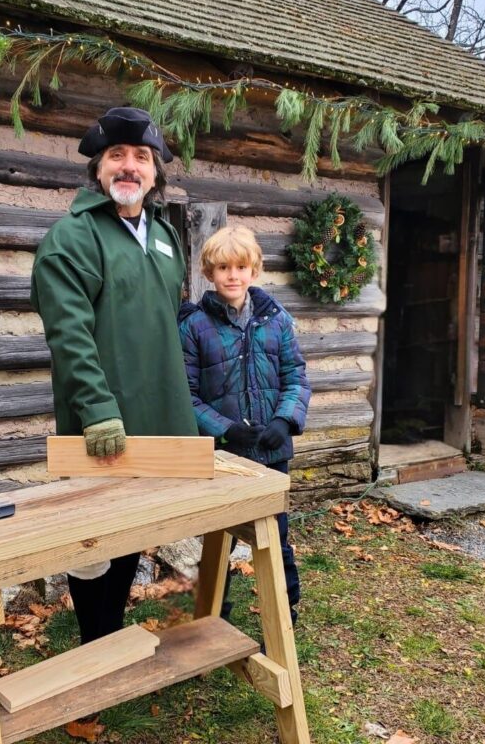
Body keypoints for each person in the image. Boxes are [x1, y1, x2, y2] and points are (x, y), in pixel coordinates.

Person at [30, 106, 198, 644]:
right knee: (92, 542)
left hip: (159, 417)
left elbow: (165, 324)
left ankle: (110, 634)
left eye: (141, 158)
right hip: (103, 422)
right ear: (98, 171)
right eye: (117, 157)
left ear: (155, 174)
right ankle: (94, 642)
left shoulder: (167, 238)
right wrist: (99, 412)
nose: (129, 167)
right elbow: (70, 336)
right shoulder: (73, 238)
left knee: (132, 531)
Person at [178, 226, 310, 625]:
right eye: (222, 268)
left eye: (240, 267)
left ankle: (284, 607)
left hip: (272, 450)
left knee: (275, 534)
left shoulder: (276, 319)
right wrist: (225, 429)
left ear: (254, 270)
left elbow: (296, 377)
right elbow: (187, 394)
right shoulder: (195, 325)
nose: (232, 275)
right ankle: (215, 608)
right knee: (221, 536)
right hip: (226, 454)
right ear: (208, 272)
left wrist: (285, 422)